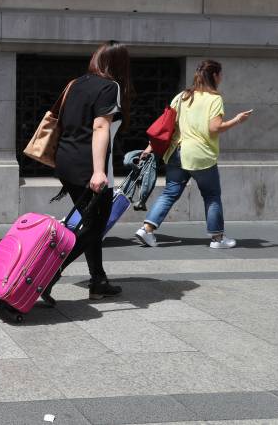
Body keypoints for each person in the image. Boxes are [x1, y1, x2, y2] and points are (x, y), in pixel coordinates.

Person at [43, 40, 132, 305]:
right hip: (87, 167)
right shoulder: (110, 86)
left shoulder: (76, 84)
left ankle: (98, 281)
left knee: (91, 222)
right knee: (95, 226)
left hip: (66, 162)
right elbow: (99, 128)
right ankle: (48, 275)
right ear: (119, 64)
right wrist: (98, 171)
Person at [135, 60, 252, 249]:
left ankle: (146, 229)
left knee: (170, 193)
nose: (221, 78)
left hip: (176, 152)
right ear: (214, 76)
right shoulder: (214, 99)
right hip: (200, 155)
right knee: (212, 195)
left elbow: (167, 125)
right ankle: (217, 239)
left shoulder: (182, 96)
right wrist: (237, 120)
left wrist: (150, 147)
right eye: (220, 74)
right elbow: (214, 128)